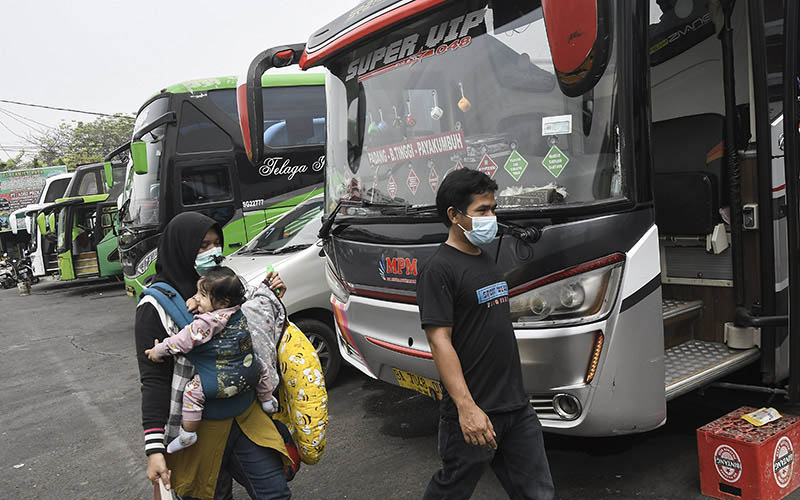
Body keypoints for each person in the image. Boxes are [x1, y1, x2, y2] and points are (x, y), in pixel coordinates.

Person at [416, 169, 555, 499]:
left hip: (516, 407)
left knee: (538, 493)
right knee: (452, 490)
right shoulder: (439, 269)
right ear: (454, 215)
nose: (491, 218)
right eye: (482, 210)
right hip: (475, 409)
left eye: (493, 208)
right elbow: (440, 340)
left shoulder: (486, 259)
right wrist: (467, 409)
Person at [136, 211, 291, 500]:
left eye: (216, 243)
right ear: (180, 247)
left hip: (246, 418)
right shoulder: (154, 306)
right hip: (199, 430)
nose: (213, 252)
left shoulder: (224, 285)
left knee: (275, 492)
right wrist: (155, 448)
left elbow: (250, 329)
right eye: (202, 246)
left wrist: (271, 296)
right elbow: (154, 381)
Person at [144, 266, 279, 454]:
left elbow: (182, 341)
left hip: (221, 381)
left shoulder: (208, 322)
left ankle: (188, 434)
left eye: (202, 295)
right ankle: (267, 399)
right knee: (262, 367)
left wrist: (158, 350)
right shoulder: (236, 309)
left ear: (222, 302)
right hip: (250, 371)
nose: (197, 298)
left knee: (192, 393)